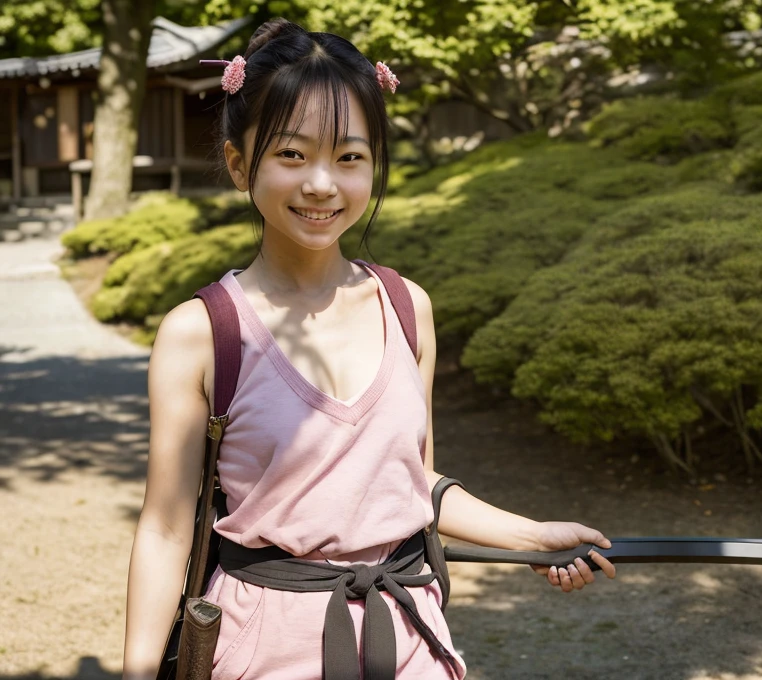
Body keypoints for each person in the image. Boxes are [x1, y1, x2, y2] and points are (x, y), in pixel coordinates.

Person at [122, 17, 615, 680]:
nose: (323, 184)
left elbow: (415, 485)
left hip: (409, 638)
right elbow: (164, 528)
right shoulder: (202, 331)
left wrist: (532, 537)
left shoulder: (408, 308)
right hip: (263, 646)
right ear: (240, 163)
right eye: (292, 155)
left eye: (349, 157)